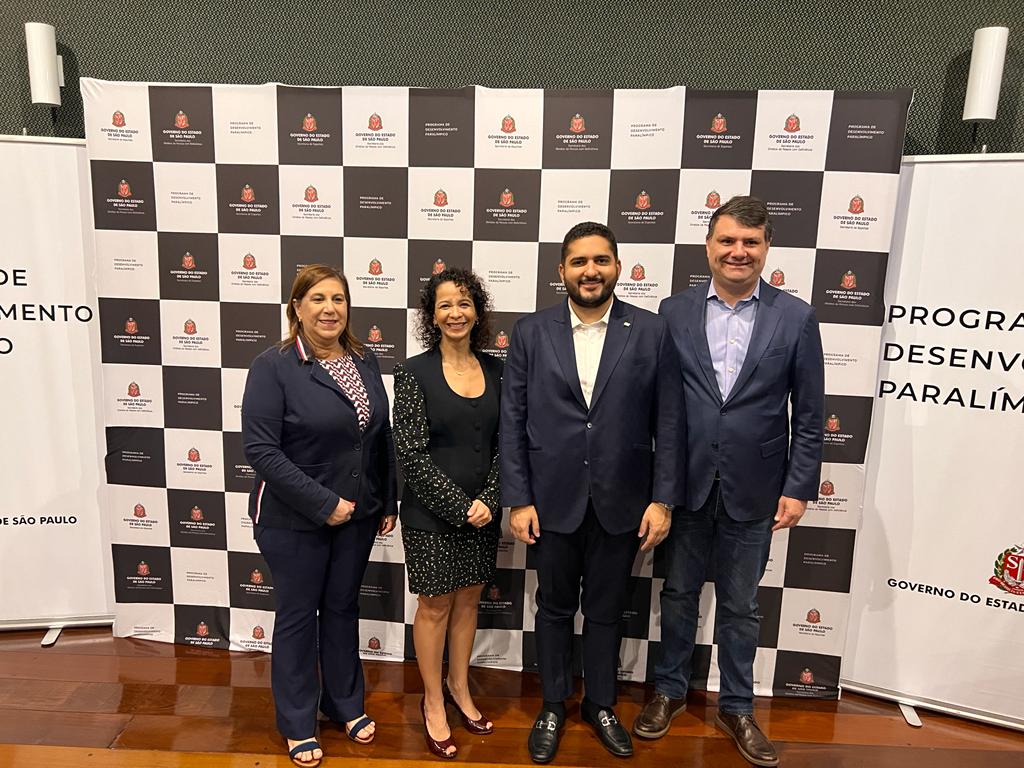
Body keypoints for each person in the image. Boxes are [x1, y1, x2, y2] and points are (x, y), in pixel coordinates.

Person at [636, 196, 824, 768]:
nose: (738, 252)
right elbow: (660, 407)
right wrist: (659, 487)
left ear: (766, 248)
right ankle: (669, 690)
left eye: (750, 242)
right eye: (727, 241)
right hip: (686, 483)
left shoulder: (796, 317)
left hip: (757, 486)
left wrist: (799, 487)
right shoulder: (673, 311)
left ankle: (738, 706)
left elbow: (809, 414)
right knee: (678, 594)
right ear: (709, 247)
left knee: (741, 606)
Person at [501, 221, 684, 763]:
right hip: (550, 501)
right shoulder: (531, 332)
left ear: (618, 267)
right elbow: (512, 421)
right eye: (579, 261)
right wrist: (519, 498)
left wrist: (662, 500)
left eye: (601, 260)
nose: (590, 271)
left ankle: (601, 703)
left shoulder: (651, 331)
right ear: (561, 270)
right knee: (554, 609)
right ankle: (553, 704)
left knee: (606, 611)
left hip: (622, 502)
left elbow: (670, 423)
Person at [242, 264, 398, 768]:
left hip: (358, 515)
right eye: (317, 299)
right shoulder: (273, 366)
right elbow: (262, 451)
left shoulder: (364, 359)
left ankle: (344, 703)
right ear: (297, 307)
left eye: (338, 299)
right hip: (292, 519)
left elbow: (378, 437)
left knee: (342, 609)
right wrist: (324, 503)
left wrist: (386, 500)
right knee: (297, 616)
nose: (330, 309)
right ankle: (296, 721)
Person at [392, 267, 503, 759]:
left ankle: (460, 687)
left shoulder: (499, 371)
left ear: (477, 311)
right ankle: (433, 700)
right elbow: (411, 454)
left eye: (464, 303)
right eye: (444, 305)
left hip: (484, 513)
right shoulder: (413, 373)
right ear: (431, 316)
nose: (455, 313)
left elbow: (508, 444)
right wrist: (461, 507)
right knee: (435, 606)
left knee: (469, 602)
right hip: (431, 517)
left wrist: (489, 501)